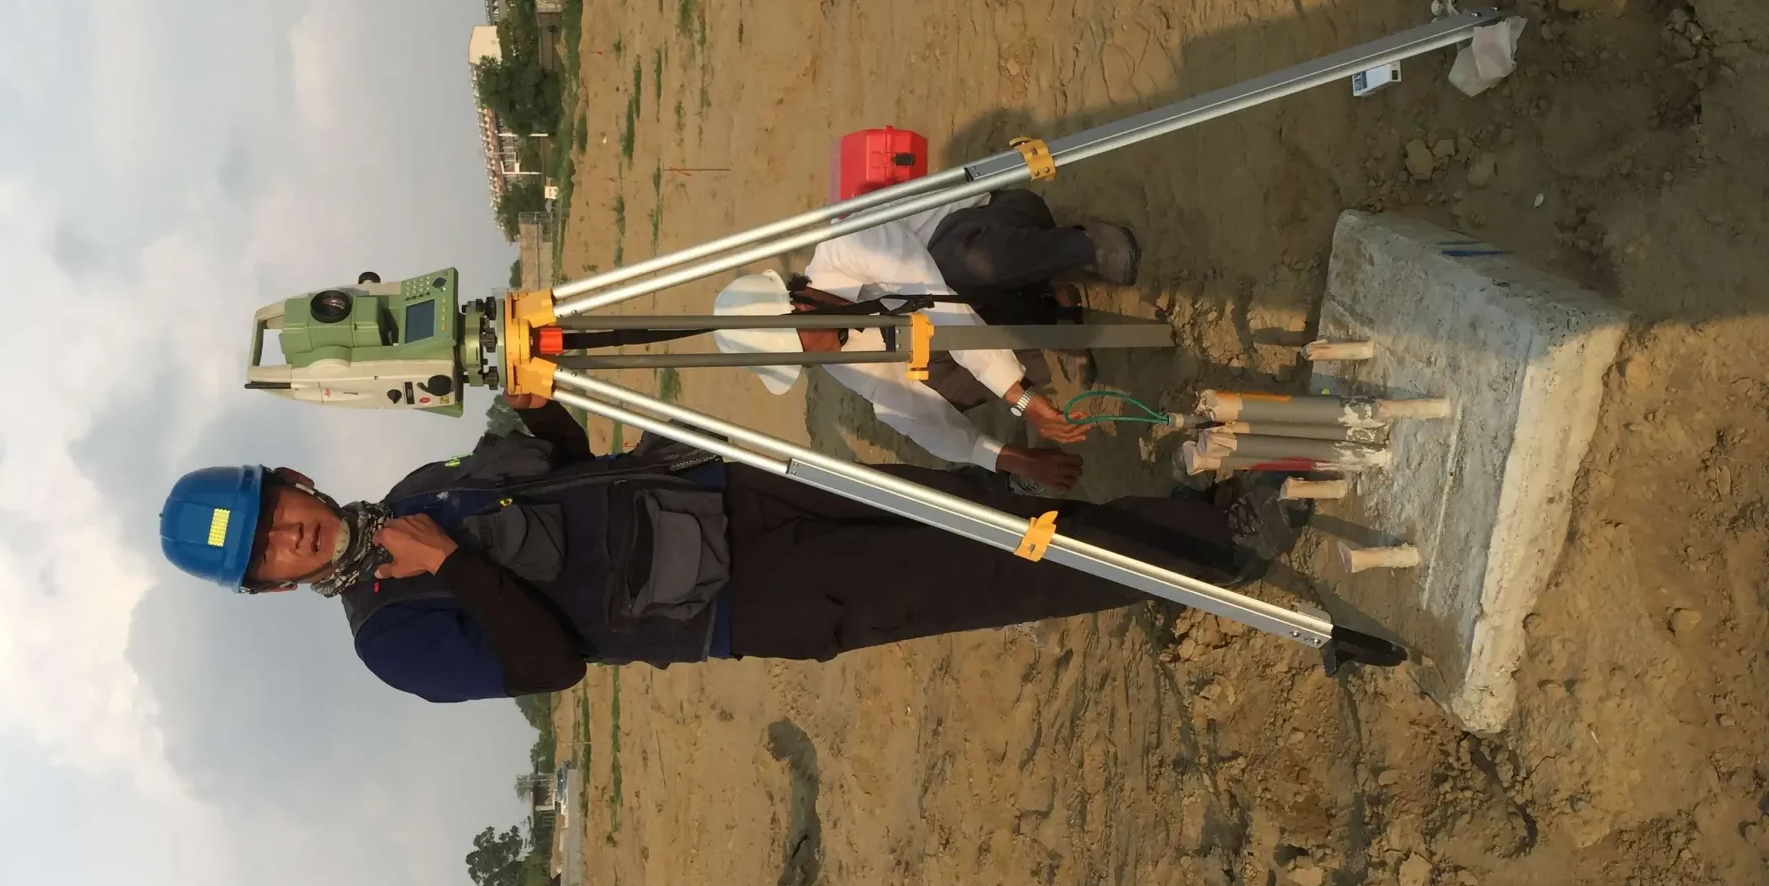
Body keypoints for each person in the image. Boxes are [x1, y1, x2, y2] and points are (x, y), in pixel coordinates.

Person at [158, 395, 1306, 703]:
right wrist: (452, 569)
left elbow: (557, 464)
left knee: (967, 501)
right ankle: (1228, 543)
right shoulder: (390, 639)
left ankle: (1182, 519)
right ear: (273, 584)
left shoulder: (420, 487)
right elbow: (552, 666)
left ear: (292, 481)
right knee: (992, 568)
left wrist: (534, 399)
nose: (289, 535)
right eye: (268, 554)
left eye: (275, 511)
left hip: (730, 488)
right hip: (745, 595)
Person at [713, 189, 1142, 491]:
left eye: (802, 347)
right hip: (984, 305)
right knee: (927, 382)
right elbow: (909, 411)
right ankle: (1051, 312)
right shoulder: (836, 354)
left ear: (799, 306)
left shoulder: (845, 245)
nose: (815, 358)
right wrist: (1010, 458)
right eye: (802, 361)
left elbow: (939, 301)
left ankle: (1083, 244)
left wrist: (1021, 400)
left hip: (999, 226)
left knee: (958, 272)